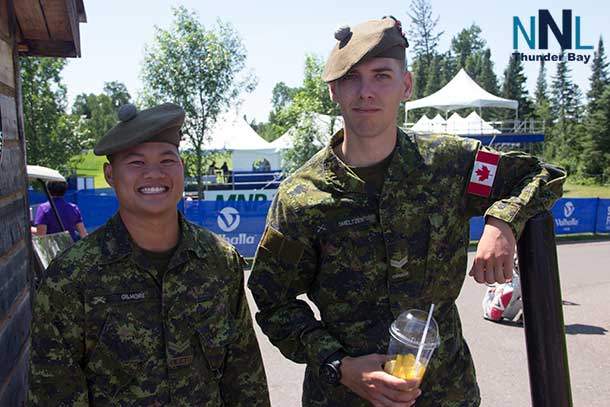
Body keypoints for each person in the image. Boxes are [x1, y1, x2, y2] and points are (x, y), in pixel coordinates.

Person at [248, 17, 566, 407]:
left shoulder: (450, 164)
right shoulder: (302, 196)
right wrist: (339, 363)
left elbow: (538, 175)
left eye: (381, 75)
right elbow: (272, 299)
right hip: (342, 396)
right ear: (333, 90)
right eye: (351, 78)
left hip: (445, 391)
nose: (366, 92)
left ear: (406, 85)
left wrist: (502, 221)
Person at [28, 103, 271, 406]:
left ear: (181, 167)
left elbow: (244, 377)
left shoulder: (220, 262)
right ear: (110, 175)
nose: (154, 173)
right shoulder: (70, 280)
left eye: (167, 160)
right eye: (136, 163)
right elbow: (54, 396)